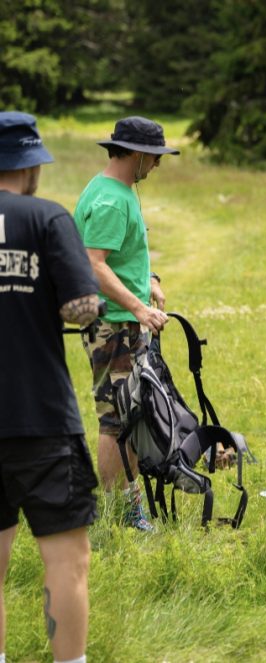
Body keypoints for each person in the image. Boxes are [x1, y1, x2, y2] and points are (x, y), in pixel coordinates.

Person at [0, 111, 102, 663]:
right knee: (66, 561)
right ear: (31, 163)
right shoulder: (46, 217)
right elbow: (83, 310)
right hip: (39, 417)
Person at [73, 116, 180, 531]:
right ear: (136, 155)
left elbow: (120, 255)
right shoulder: (112, 200)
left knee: (131, 415)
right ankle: (120, 513)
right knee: (115, 419)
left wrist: (148, 281)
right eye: (154, 158)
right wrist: (138, 307)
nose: (156, 166)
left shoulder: (118, 189)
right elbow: (93, 264)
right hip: (113, 324)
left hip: (122, 320)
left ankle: (129, 506)